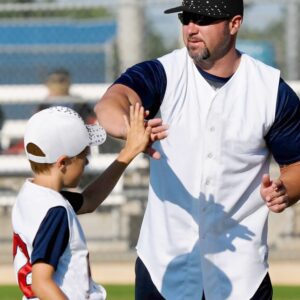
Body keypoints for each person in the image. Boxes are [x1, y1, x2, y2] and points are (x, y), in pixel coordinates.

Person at [94, 0, 300, 299]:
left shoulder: (270, 90)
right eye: (186, 18)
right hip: (163, 268)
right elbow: (111, 103)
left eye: (203, 19)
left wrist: (286, 189)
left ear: (234, 23)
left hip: (242, 274)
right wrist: (131, 130)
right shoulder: (163, 72)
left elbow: (296, 166)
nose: (191, 28)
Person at [12, 104, 152, 299]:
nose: (87, 162)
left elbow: (89, 200)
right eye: (83, 156)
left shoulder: (31, 195)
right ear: (62, 163)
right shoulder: (55, 210)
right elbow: (41, 282)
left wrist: (129, 152)